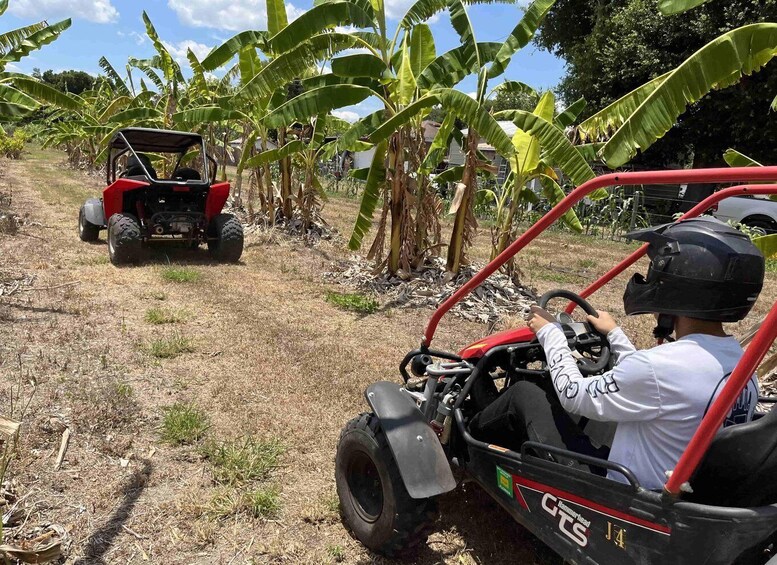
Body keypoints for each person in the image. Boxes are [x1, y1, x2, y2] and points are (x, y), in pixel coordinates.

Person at [469, 217, 765, 490]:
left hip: (622, 491)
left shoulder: (658, 369)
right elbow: (654, 381)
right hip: (676, 480)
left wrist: (550, 335)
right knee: (552, 391)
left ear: (679, 285)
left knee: (525, 393)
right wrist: (614, 334)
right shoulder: (739, 363)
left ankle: (466, 439)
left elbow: (573, 392)